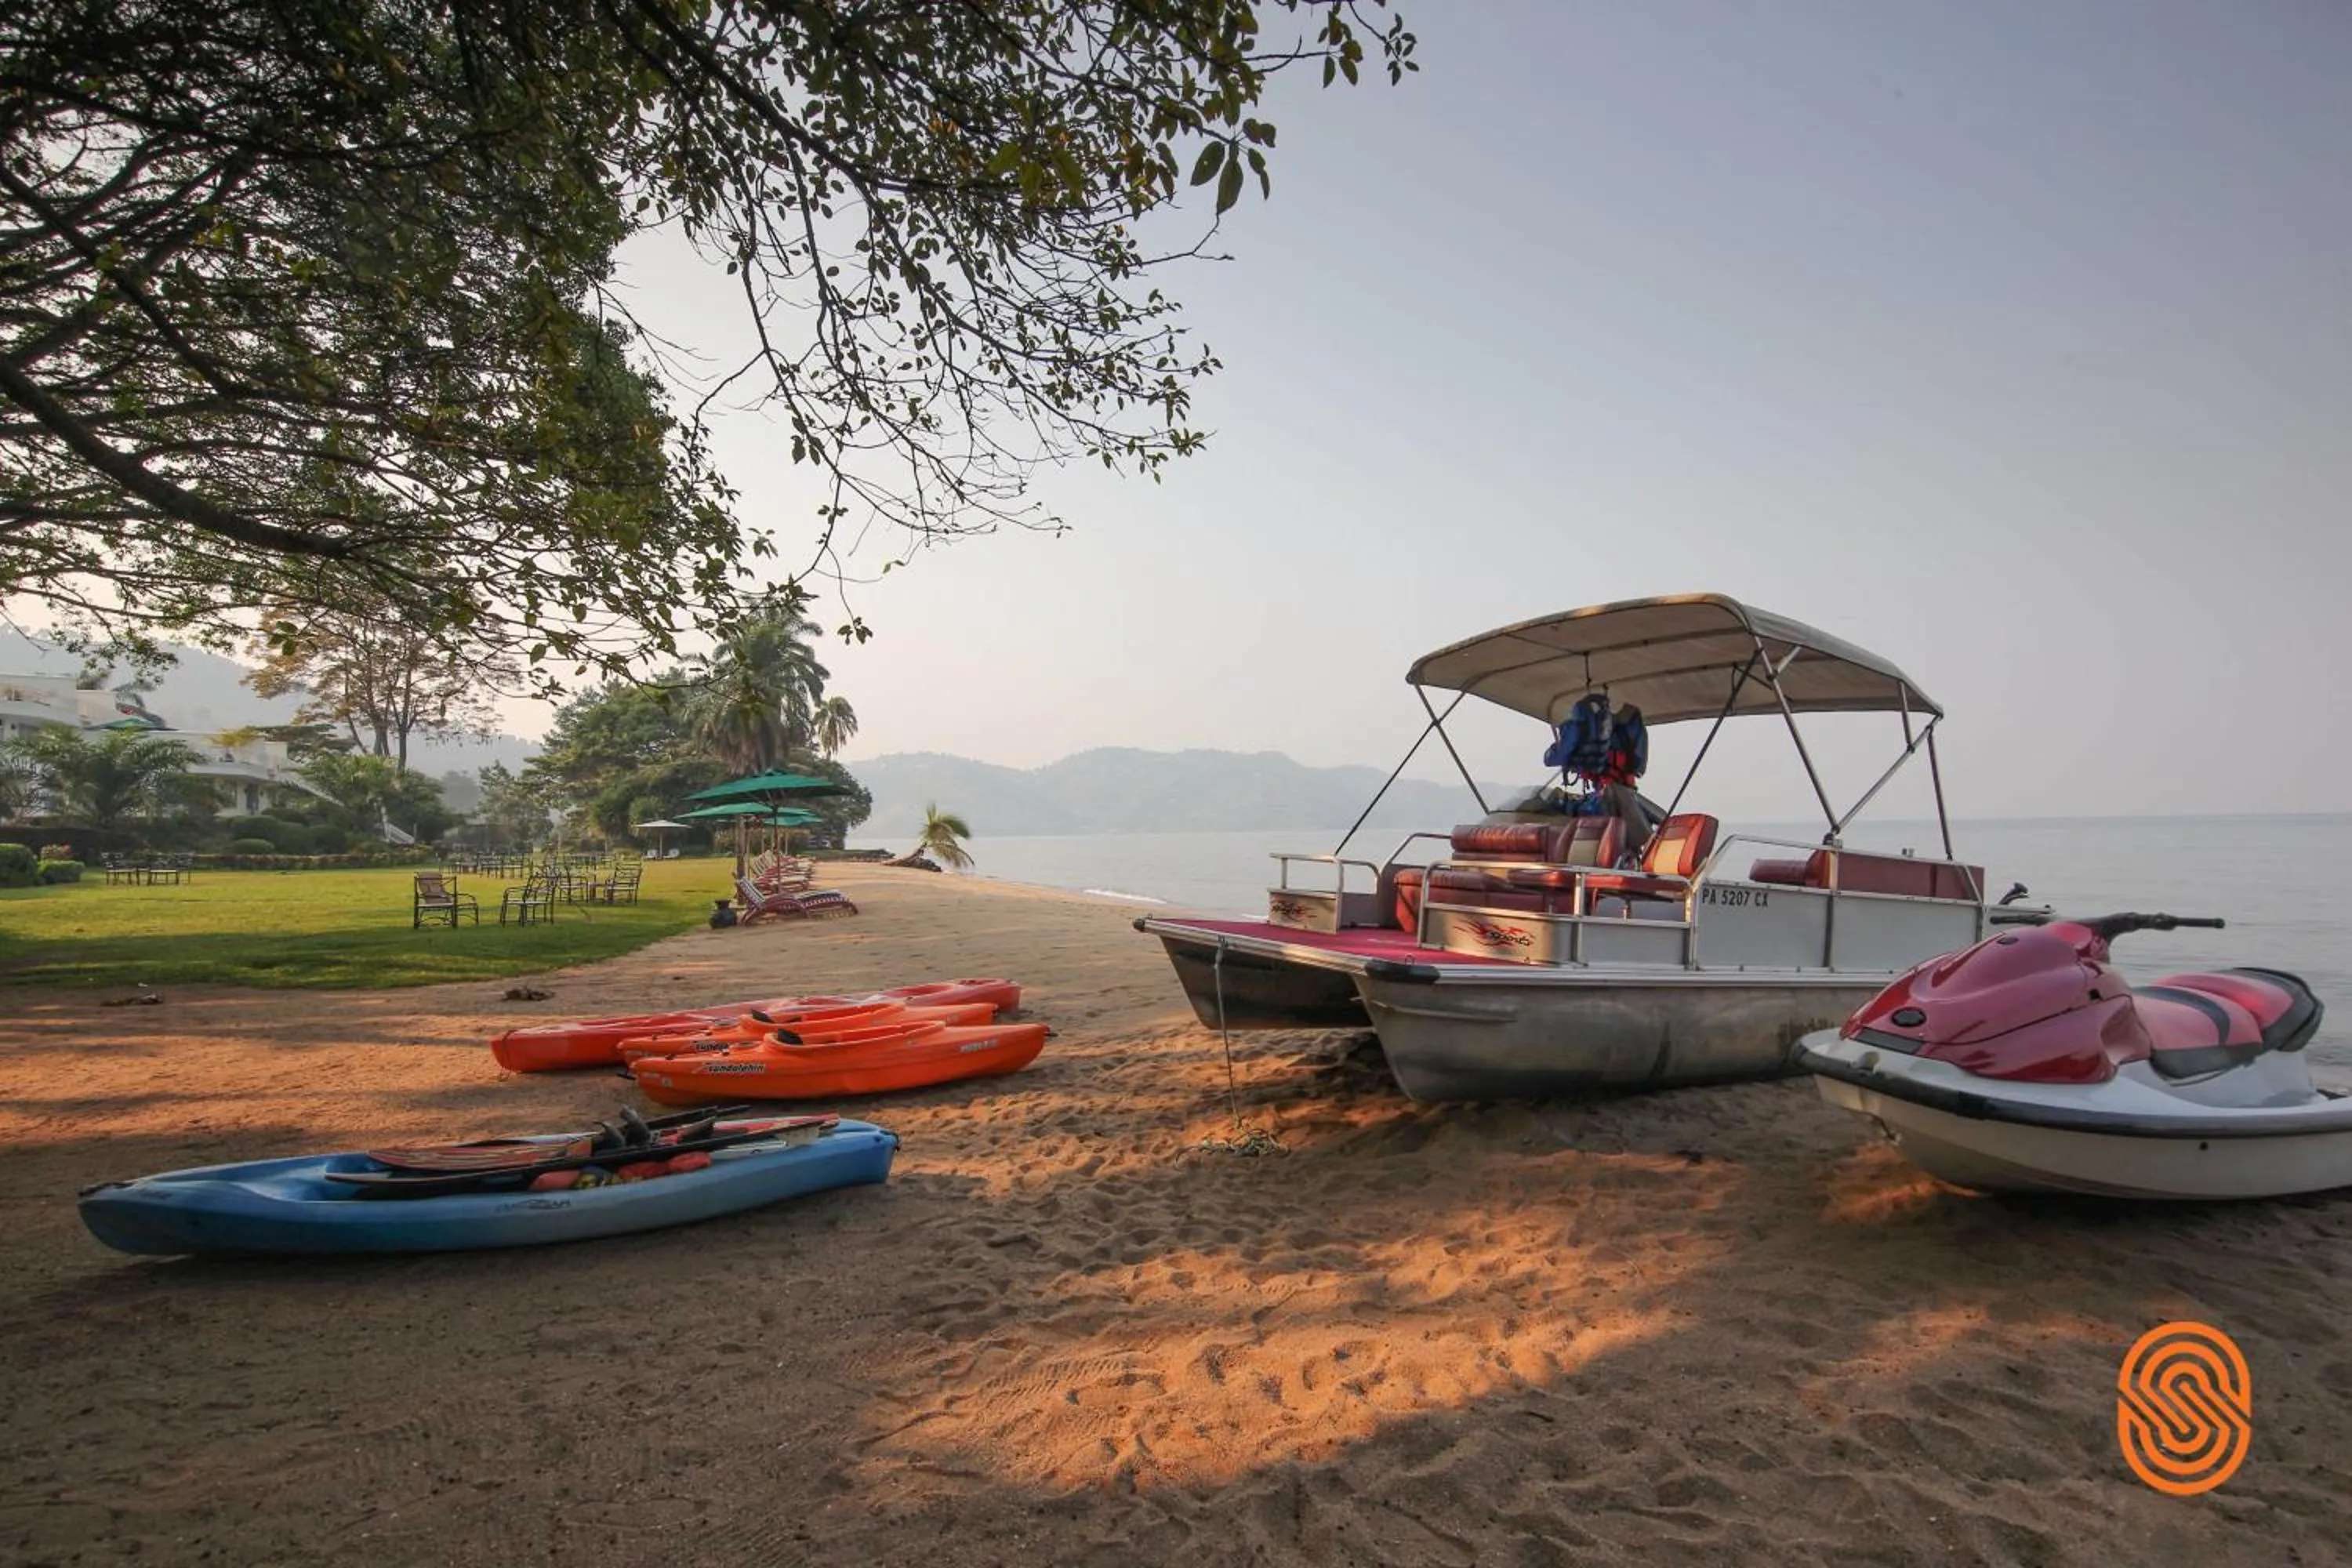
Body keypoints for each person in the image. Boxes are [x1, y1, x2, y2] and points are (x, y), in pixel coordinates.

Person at [1595, 704, 1650, 867]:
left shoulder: (1604, 728)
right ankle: (1633, 857)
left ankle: (1633, 858)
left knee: (1625, 829)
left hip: (1616, 788)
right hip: (1615, 787)